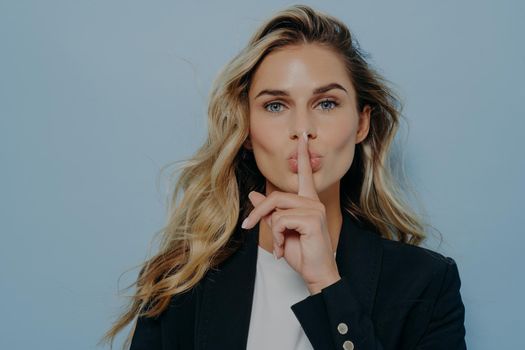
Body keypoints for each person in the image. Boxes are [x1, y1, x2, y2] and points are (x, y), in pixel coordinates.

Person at [100, 4, 466, 350]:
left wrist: (326, 282)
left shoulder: (427, 284)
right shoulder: (180, 283)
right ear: (246, 130)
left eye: (326, 103)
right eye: (275, 106)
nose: (302, 129)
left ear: (362, 123)